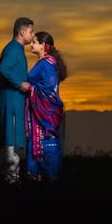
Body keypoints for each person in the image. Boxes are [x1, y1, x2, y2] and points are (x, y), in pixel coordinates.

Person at [0, 16, 35, 185]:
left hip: (15, 104)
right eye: (31, 31)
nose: (32, 35)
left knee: (12, 144)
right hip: (11, 104)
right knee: (10, 144)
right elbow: (1, 70)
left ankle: (11, 181)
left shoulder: (16, 49)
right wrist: (19, 84)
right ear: (22, 32)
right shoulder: (13, 49)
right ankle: (11, 183)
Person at [24, 31, 67, 183]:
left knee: (46, 143)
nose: (31, 44)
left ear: (43, 45)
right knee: (39, 143)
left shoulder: (47, 63)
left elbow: (49, 88)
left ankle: (49, 179)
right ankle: (40, 181)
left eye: (34, 42)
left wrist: (30, 88)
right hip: (37, 113)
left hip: (45, 114)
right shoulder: (45, 62)